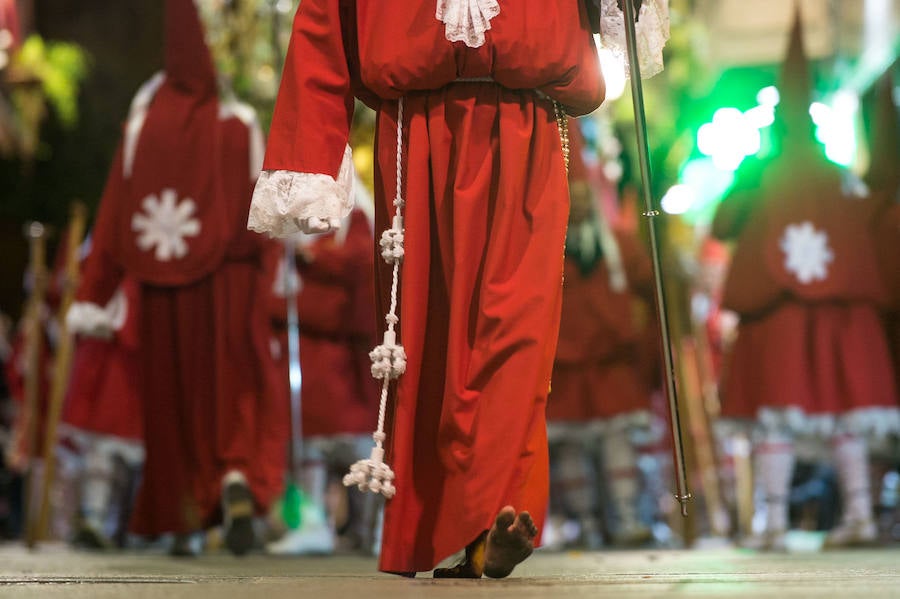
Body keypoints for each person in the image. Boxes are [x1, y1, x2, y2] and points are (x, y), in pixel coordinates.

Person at [248, 0, 669, 577]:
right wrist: (311, 150)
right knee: (430, 341)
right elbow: (326, 15)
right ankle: (448, 525)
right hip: (416, 126)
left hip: (531, 115)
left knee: (517, 326)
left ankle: (493, 513)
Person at [66, 0, 288, 556]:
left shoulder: (144, 125)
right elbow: (263, 217)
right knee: (232, 392)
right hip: (230, 287)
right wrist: (269, 282)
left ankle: (185, 513)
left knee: (172, 403)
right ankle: (234, 477)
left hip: (162, 291)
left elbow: (116, 216)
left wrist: (95, 291)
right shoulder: (237, 125)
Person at [711, 10, 900, 551]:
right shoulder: (838, 175)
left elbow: (724, 225)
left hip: (781, 313)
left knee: (779, 417)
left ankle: (772, 522)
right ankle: (857, 514)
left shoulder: (761, 174)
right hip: (837, 312)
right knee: (842, 414)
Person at [545, 118, 660, 549]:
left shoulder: (622, 245)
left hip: (612, 364)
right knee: (572, 448)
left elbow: (648, 297)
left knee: (617, 444)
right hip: (567, 367)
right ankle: (588, 522)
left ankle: (628, 517)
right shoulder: (547, 249)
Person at [264, 177, 381, 556]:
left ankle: (373, 527)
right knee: (307, 447)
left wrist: (315, 258)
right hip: (305, 354)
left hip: (345, 357)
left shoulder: (356, 214)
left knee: (358, 447)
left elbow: (362, 262)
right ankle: (312, 522)